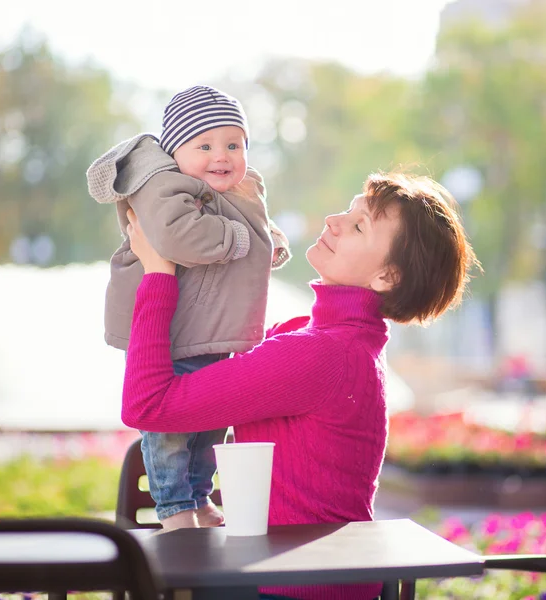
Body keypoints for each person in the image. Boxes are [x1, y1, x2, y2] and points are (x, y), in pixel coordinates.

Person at [122, 170, 480, 600]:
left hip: (292, 588)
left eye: (358, 225)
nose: (334, 220)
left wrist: (157, 273)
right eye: (349, 210)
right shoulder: (337, 341)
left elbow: (149, 406)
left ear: (387, 277)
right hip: (301, 576)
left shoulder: (323, 355)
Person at [86, 85, 290, 530]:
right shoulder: (161, 184)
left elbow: (253, 223)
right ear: (175, 149)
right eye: (205, 145)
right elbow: (177, 236)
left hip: (213, 333)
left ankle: (198, 496)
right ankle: (175, 507)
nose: (222, 155)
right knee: (169, 431)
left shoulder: (233, 187)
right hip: (172, 336)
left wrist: (269, 242)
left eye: (234, 144)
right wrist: (241, 242)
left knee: (210, 423)